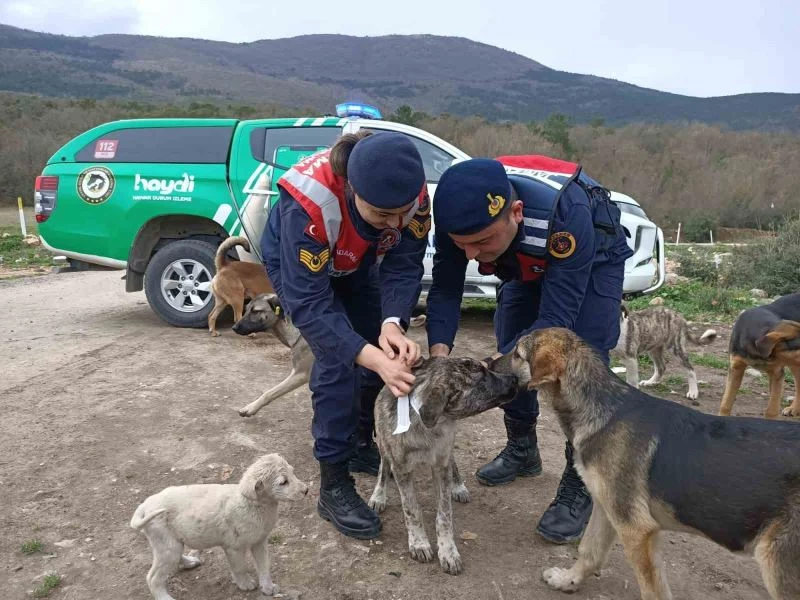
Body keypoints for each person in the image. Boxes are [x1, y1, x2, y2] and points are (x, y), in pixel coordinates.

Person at [425, 155, 633, 543]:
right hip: (521, 261)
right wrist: (439, 355)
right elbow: (446, 289)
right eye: (462, 245)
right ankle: (523, 449)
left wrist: (494, 363)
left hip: (590, 263)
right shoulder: (462, 218)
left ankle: (581, 480)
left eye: (481, 242)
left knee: (580, 360)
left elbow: (556, 322)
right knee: (510, 337)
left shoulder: (566, 218)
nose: (470, 254)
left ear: (515, 212)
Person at [260, 130, 431, 540]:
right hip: (303, 270)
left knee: (378, 351)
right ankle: (333, 481)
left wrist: (392, 322)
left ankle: (358, 442)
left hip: (357, 261)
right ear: (351, 188)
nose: (394, 224)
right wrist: (367, 354)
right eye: (381, 214)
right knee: (337, 362)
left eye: (400, 213)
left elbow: (405, 264)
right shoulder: (308, 204)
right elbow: (311, 306)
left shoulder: (412, 194)